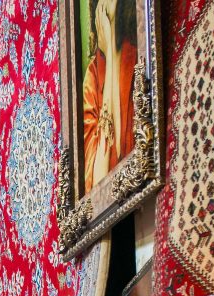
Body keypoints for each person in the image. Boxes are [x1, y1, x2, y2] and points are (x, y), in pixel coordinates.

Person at [82, 0, 137, 191]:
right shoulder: (94, 75)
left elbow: (127, 156)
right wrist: (111, 56)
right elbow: (99, 184)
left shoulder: (139, 53)